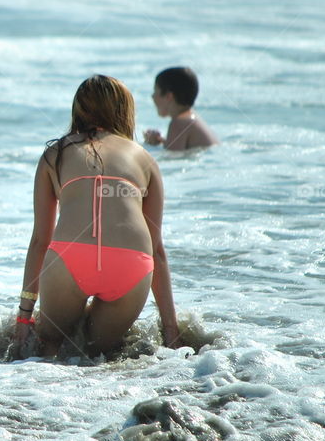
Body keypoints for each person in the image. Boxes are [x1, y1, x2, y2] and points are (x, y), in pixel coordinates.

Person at [15, 75, 180, 359]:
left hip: (70, 258)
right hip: (130, 266)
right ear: (125, 111)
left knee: (50, 345)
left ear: (78, 109)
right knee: (95, 354)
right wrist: (171, 329)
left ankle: (38, 399)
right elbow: (157, 250)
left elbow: (40, 240)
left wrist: (24, 317)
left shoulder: (56, 154)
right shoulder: (145, 159)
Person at [143, 67, 218, 150]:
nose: (152, 97)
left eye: (155, 91)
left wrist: (150, 146)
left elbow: (170, 158)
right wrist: (160, 141)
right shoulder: (191, 118)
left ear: (169, 96)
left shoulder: (178, 123)